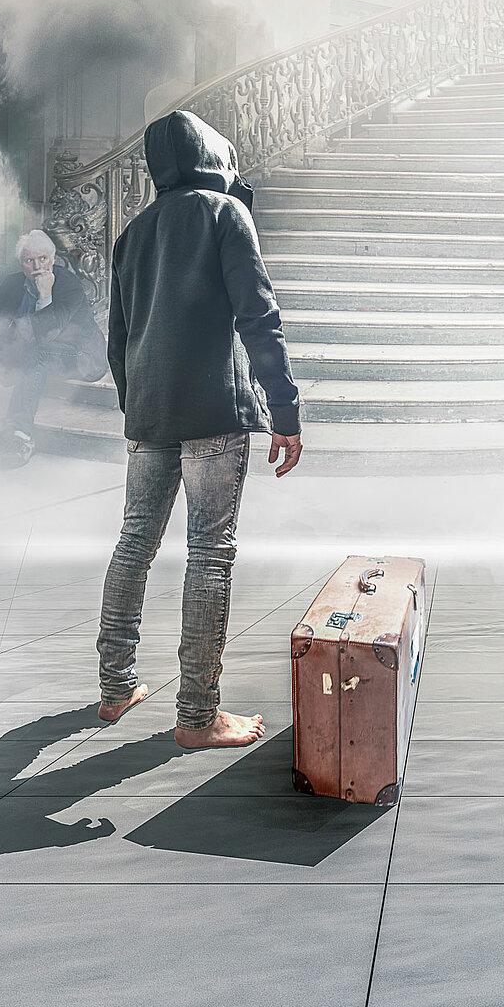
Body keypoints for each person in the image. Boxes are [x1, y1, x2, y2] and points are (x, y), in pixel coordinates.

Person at [96, 110, 302, 747]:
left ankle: (115, 687)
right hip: (214, 411)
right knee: (209, 555)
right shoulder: (224, 216)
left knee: (134, 543)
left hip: (150, 414)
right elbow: (258, 318)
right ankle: (197, 716)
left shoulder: (132, 233)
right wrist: (285, 412)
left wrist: (138, 407)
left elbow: (118, 341)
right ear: (214, 153)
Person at [0, 229, 108, 467]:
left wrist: (44, 294)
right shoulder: (11, 284)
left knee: (39, 354)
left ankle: (20, 435)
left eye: (43, 259)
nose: (37, 266)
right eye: (29, 260)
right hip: (37, 354)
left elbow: (47, 334)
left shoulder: (68, 284)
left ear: (53, 260)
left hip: (82, 356)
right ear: (21, 263)